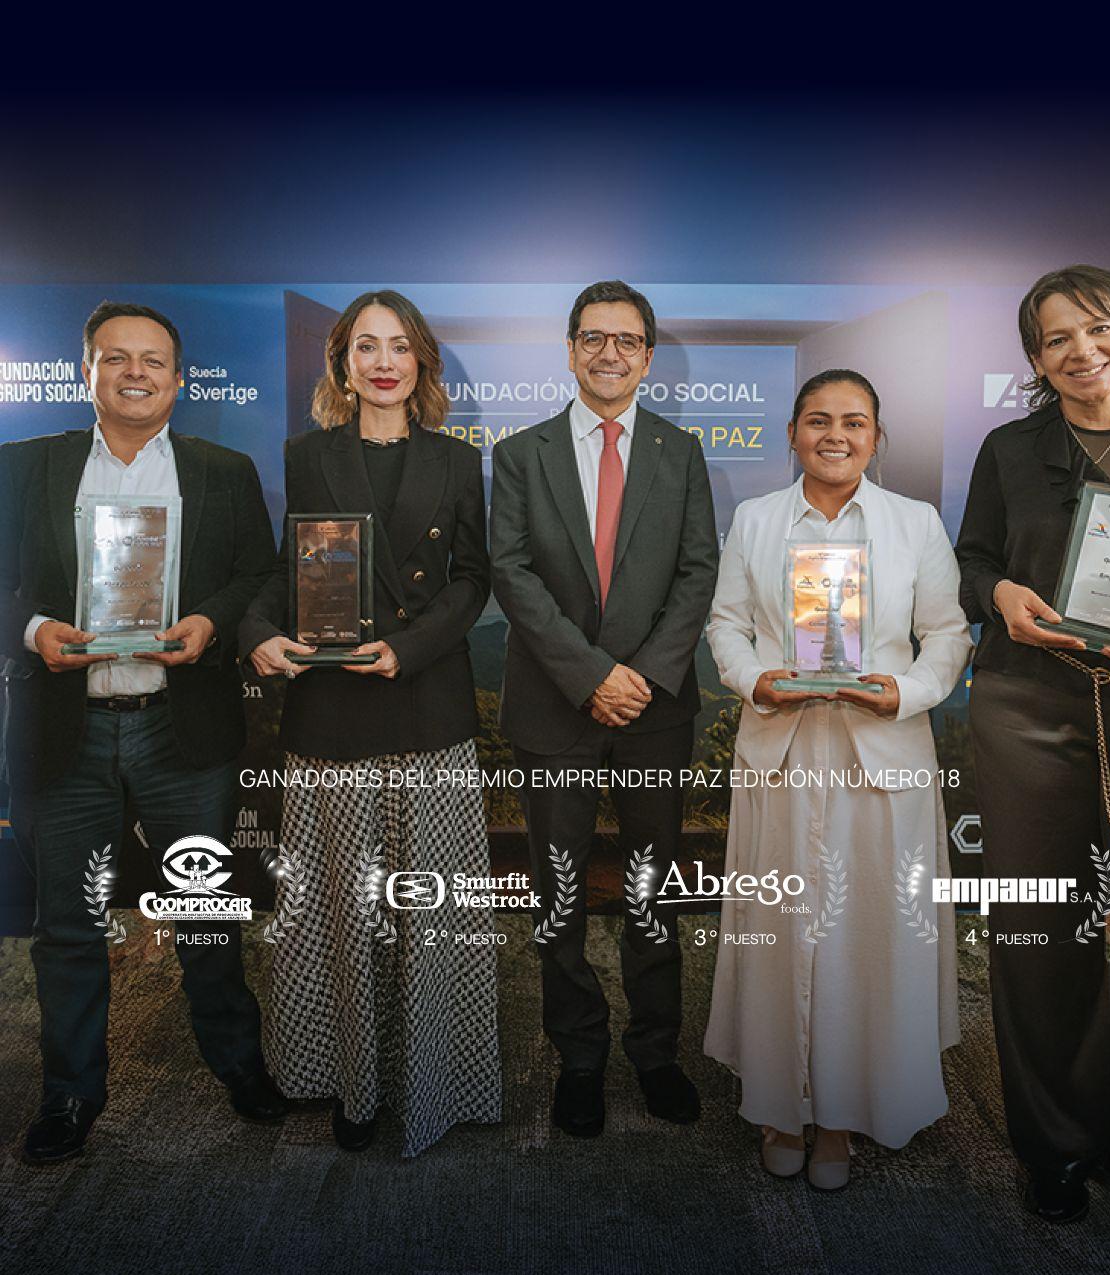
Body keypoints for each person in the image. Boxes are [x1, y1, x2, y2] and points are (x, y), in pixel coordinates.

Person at [0, 301, 284, 1166]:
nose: (135, 373)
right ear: (85, 371)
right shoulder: (23, 466)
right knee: (69, 928)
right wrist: (32, 630)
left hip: (180, 730)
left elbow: (257, 574)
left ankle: (238, 1064)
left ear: (179, 379)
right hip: (66, 731)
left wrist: (209, 622)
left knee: (204, 913)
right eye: (116, 358)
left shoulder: (224, 471)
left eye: (153, 360)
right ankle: (71, 1093)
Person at [957, 264, 1110, 1241]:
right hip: (1030, 707)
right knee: (1037, 936)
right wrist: (998, 597)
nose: (1080, 351)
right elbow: (974, 558)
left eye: (1097, 328)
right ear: (1034, 358)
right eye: (1055, 338)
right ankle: (1054, 1147)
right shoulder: (1010, 450)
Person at [240, 289, 500, 1153]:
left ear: (420, 361)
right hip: (332, 711)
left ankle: (435, 1087)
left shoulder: (457, 461)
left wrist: (409, 647)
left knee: (429, 912)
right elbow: (292, 567)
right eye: (365, 346)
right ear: (343, 364)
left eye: (398, 346)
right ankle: (348, 1084)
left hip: (425, 701)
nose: (383, 362)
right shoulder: (306, 455)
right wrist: (257, 632)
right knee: (339, 912)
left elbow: (472, 580)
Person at [705, 371, 971, 1186]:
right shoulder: (756, 520)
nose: (835, 435)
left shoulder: (914, 522)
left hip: (880, 756)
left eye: (854, 422)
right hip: (782, 752)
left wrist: (907, 692)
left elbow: (948, 635)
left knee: (868, 940)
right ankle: (780, 1107)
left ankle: (845, 1118)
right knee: (781, 931)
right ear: (791, 434)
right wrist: (756, 680)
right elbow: (726, 625)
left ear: (876, 439)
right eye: (818, 420)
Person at [489, 279, 719, 1137]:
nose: (609, 352)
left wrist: (643, 676)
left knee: (653, 889)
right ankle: (579, 1057)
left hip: (654, 709)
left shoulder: (680, 452)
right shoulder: (522, 453)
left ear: (648, 357)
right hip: (556, 706)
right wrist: (591, 676)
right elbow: (511, 572)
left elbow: (698, 570)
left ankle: (656, 1053)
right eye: (593, 337)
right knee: (558, 893)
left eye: (626, 340)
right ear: (570, 349)